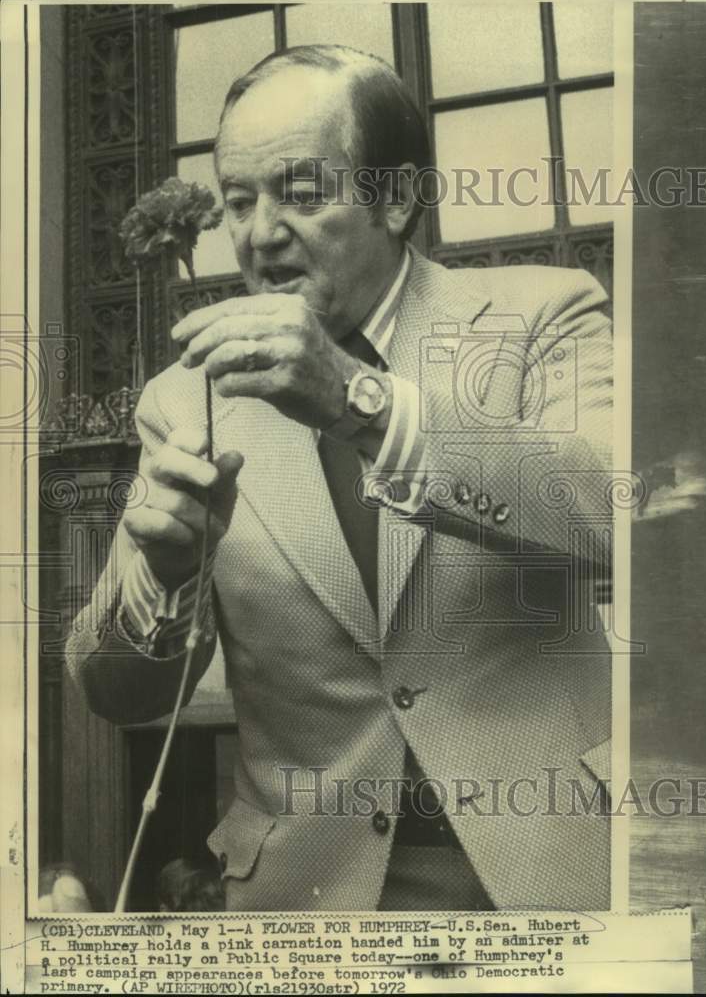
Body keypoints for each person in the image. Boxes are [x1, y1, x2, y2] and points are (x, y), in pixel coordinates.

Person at [66, 45, 615, 911]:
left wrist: (360, 402)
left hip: (548, 872)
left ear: (396, 198)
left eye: (301, 192)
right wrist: (163, 584)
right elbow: (113, 690)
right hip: (304, 906)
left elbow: (618, 515)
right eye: (239, 202)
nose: (259, 232)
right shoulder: (184, 398)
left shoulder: (543, 314)